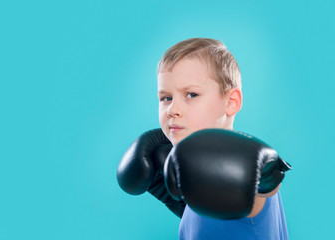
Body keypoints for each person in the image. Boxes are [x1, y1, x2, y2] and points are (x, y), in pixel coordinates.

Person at [117, 38, 290, 239]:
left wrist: (266, 175)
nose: (173, 109)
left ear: (231, 101)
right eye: (166, 98)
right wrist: (191, 209)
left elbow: (259, 191)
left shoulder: (241, 168)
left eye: (191, 94)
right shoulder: (198, 171)